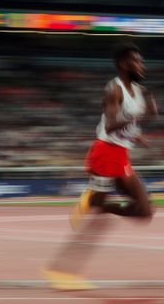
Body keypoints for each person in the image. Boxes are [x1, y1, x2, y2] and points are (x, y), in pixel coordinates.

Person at [41, 44, 156, 291]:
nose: (142, 65)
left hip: (122, 155)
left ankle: (94, 202)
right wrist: (137, 118)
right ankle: (61, 270)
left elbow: (134, 122)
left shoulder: (139, 90)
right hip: (105, 153)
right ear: (124, 64)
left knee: (145, 211)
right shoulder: (114, 89)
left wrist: (138, 134)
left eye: (142, 61)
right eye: (137, 61)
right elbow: (112, 124)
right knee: (98, 222)